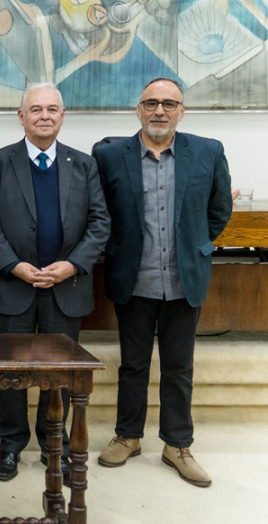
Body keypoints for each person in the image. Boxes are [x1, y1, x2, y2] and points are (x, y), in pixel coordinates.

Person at [93, 78, 232, 488]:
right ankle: (128, 436)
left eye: (169, 104)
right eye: (151, 103)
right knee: (133, 365)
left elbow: (219, 209)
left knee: (178, 367)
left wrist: (195, 244)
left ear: (181, 111)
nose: (159, 111)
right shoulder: (109, 155)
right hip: (132, 278)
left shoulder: (208, 151)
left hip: (183, 277)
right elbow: (98, 211)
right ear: (137, 109)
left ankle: (177, 445)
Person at [0, 82, 110, 482]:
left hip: (64, 288)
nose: (44, 115)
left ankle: (57, 445)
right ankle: (10, 446)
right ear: (22, 117)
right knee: (11, 373)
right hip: (12, 286)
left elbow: (101, 222)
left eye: (52, 109)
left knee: (59, 375)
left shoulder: (84, 165)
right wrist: (12, 264)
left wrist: (73, 265)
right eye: (36, 109)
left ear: (63, 115)